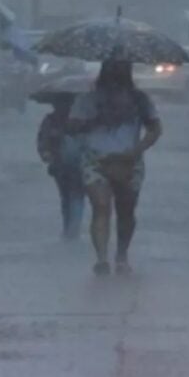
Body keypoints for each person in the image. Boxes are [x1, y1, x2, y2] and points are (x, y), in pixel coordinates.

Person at [69, 59, 162, 275]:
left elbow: (155, 128)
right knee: (101, 206)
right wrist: (95, 119)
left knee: (126, 209)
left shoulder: (140, 100)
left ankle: (121, 255)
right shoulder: (88, 100)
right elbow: (72, 126)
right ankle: (102, 258)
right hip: (95, 159)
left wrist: (137, 150)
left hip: (129, 160)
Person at [37, 94, 85, 240]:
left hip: (79, 165)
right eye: (60, 103)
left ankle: (72, 230)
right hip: (60, 166)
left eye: (66, 103)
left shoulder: (80, 120)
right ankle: (69, 228)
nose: (63, 106)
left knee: (75, 196)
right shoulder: (50, 121)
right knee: (67, 197)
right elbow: (43, 142)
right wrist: (47, 155)